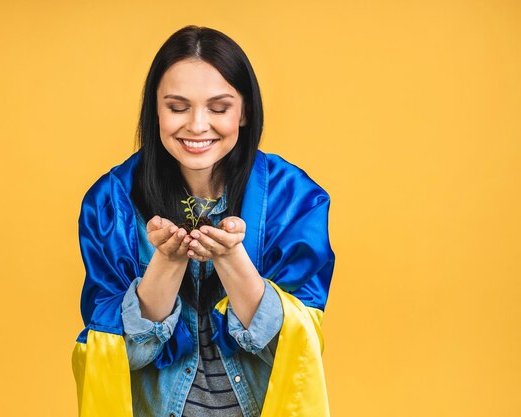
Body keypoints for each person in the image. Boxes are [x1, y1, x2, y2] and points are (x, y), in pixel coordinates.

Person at [71, 25, 336, 417]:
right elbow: (115, 353)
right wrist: (167, 262)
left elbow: (295, 351)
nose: (197, 125)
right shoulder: (112, 202)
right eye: (177, 107)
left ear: (244, 111)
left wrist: (232, 259)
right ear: (154, 109)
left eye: (219, 107)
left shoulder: (292, 197)